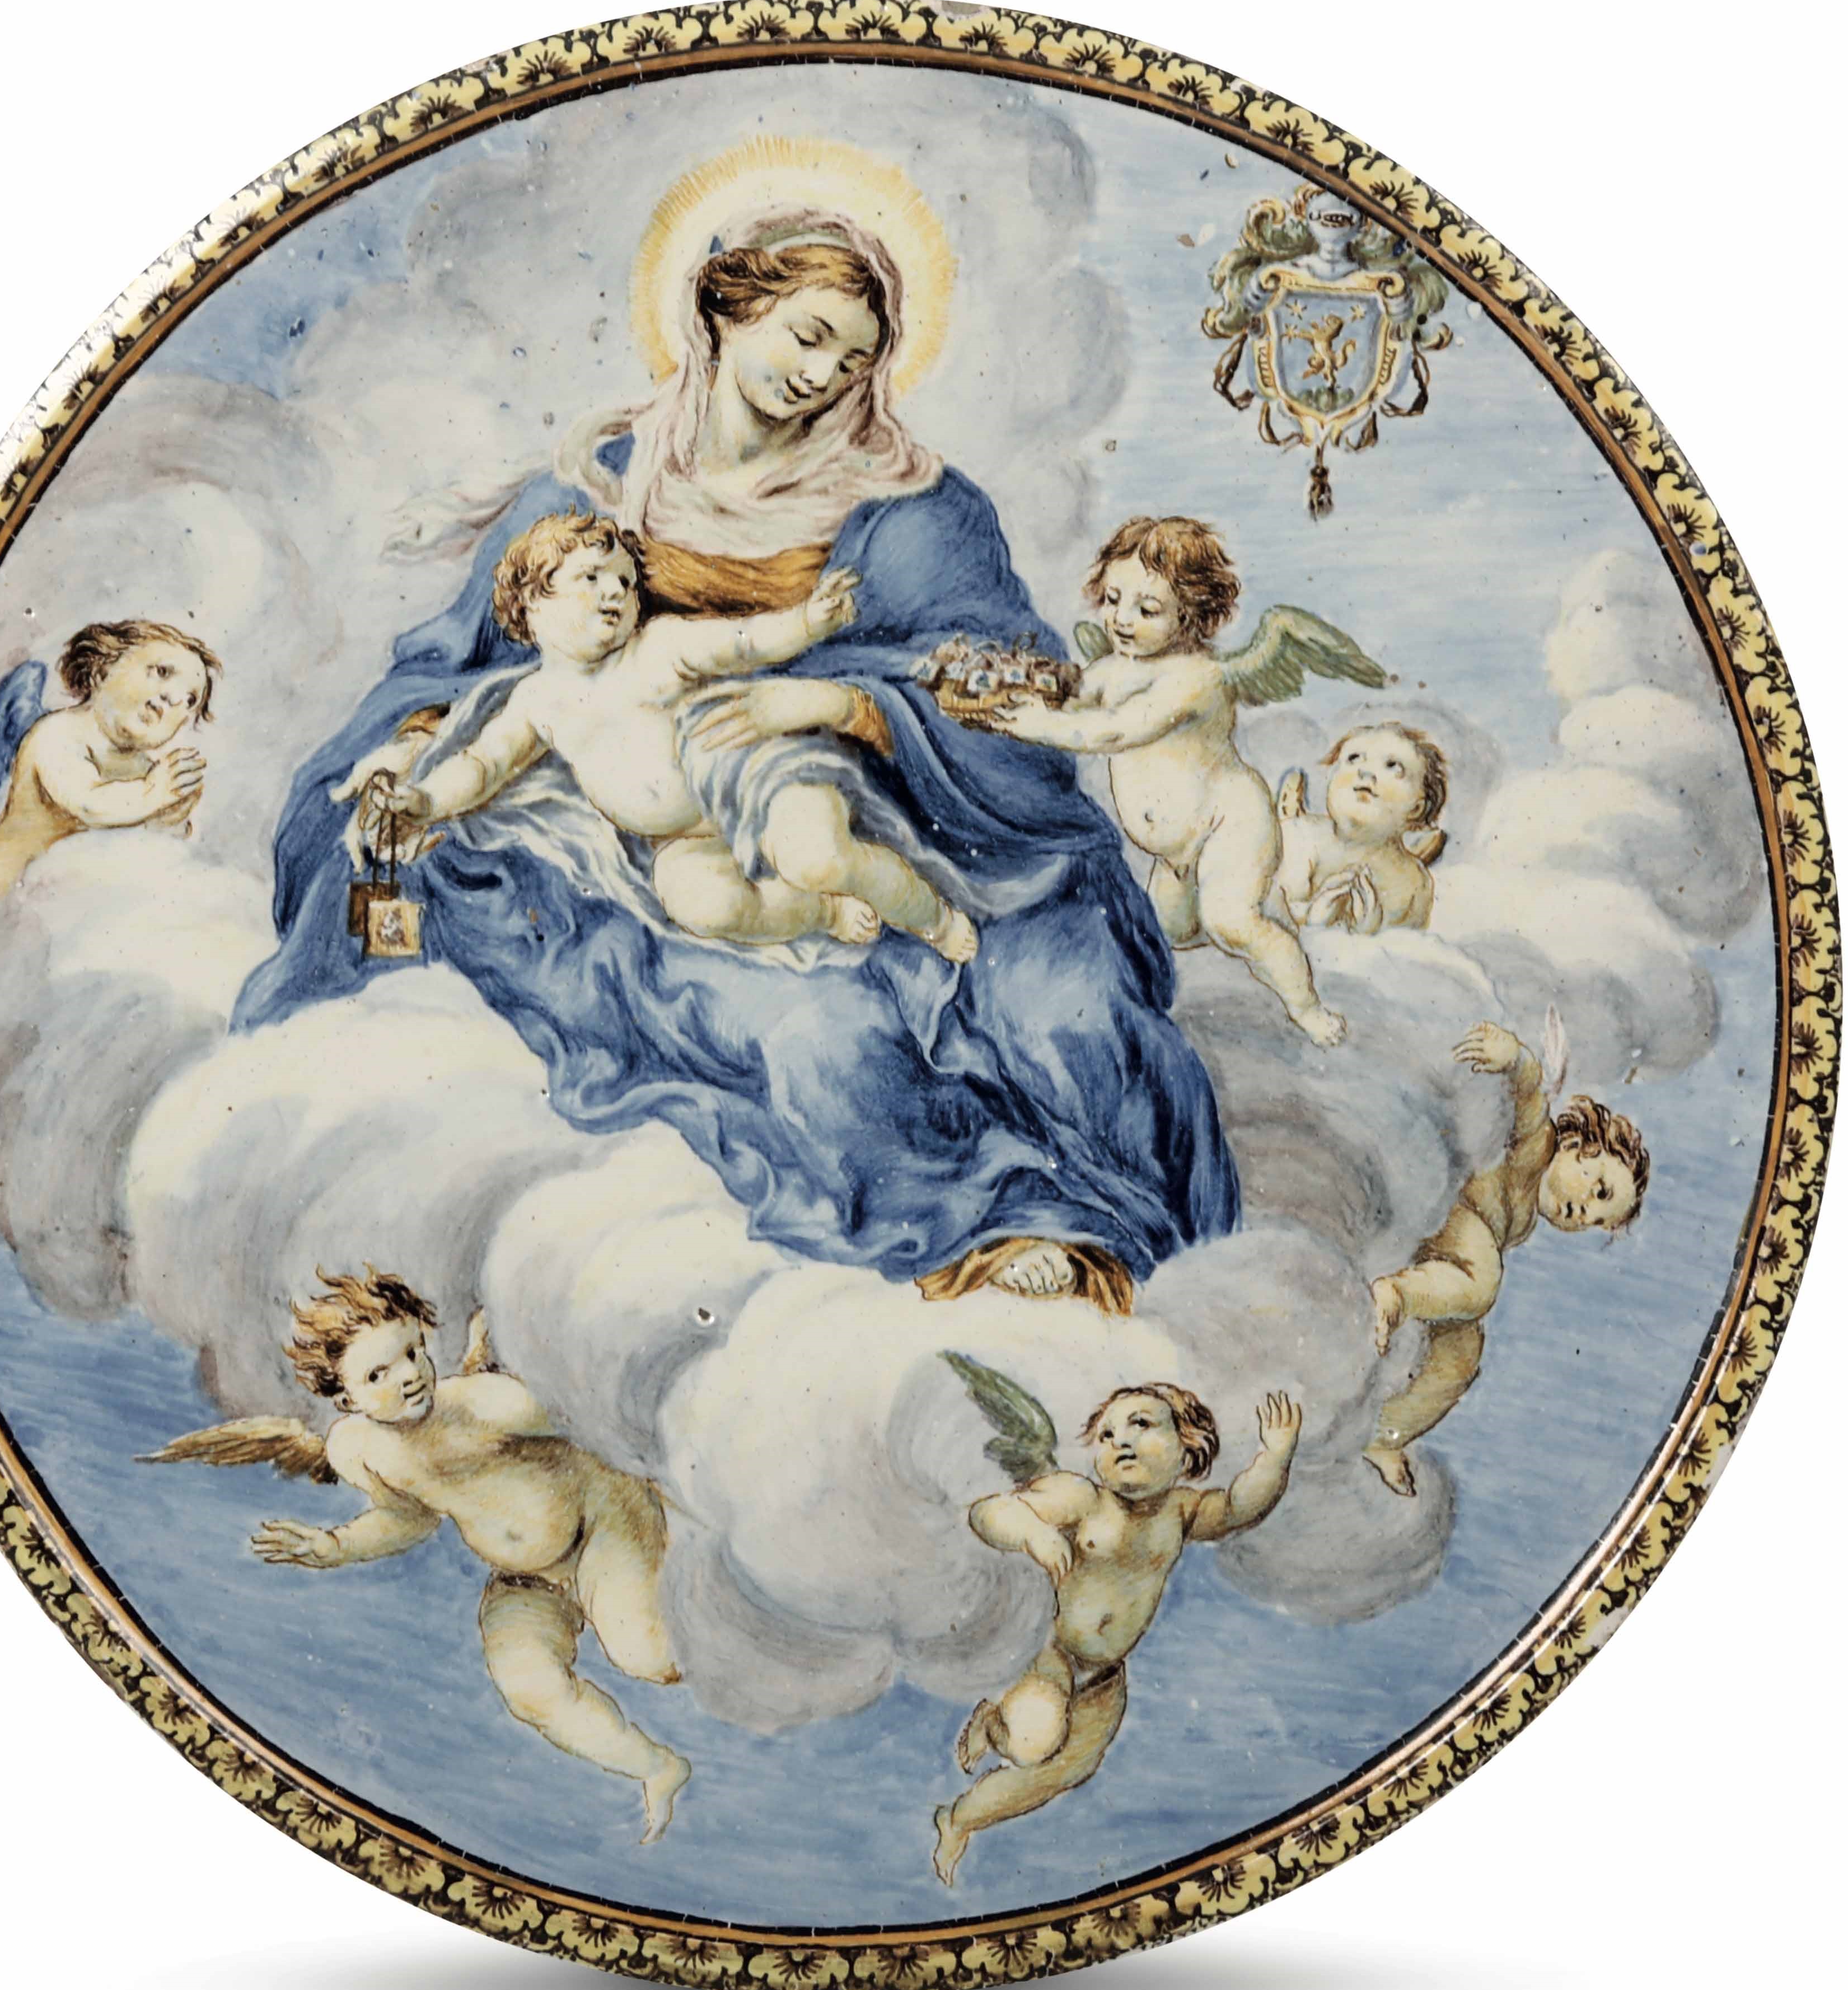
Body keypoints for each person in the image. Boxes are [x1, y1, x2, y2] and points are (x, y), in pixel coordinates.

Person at [237, 208, 1239, 1313]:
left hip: (890, 805)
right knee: (808, 1032)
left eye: (854, 359)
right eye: (806, 336)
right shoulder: (590, 490)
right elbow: (471, 667)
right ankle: (978, 1221)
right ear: (724, 306)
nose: (824, 375)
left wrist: (841, 700)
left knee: (1060, 1010)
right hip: (637, 837)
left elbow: (1012, 690)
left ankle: (1068, 1223)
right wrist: (412, 754)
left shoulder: (914, 511)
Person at [145, 1267, 691, 1842]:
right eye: (378, 1373)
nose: (408, 1376)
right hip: (526, 1575)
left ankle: (733, 1618)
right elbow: (407, 1518)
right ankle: (656, 1766)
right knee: (529, 1685)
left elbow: (603, 1428)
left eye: (412, 1352)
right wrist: (334, 1546)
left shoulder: (483, 1404)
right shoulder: (360, 1449)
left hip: (600, 1521)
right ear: (345, 1396)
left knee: (647, 1657)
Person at [345, 512, 976, 957]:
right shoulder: (534, 702)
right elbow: (484, 765)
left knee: (818, 858)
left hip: (759, 777)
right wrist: (425, 800)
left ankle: (932, 916)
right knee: (702, 906)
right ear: (530, 602)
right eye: (592, 577)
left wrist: (808, 622)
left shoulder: (659, 646)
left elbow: (746, 643)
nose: (616, 592)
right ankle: (823, 913)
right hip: (682, 836)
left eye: (625, 582)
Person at [993, 516, 1382, 1044]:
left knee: (1232, 923)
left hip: (1229, 825)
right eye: (1112, 600)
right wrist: (1022, 692)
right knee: (1167, 930)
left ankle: (1307, 1007)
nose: (1121, 619)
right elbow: (1074, 698)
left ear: (1191, 614)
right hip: (1174, 852)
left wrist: (1039, 726)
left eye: (1147, 610)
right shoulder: (1113, 668)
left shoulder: (1196, 678)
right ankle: (1254, 925)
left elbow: (1116, 730)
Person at [932, 1383, 1303, 1885]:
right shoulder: (1084, 1499)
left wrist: (1275, 1457)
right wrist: (1033, 1532)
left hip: (1106, 1675)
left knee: (1063, 1772)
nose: (1121, 1441)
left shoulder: (1181, 1512)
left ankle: (959, 1820)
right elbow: (989, 1512)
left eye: (1141, 1425)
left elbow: (1239, 1507)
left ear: (1187, 1448)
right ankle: (993, 1723)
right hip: (1052, 1654)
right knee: (1033, 1742)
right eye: (1107, 1435)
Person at [1364, 1023, 1651, 1495]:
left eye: (1598, 1219)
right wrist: (1515, 1057)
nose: (1586, 1212)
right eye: (1599, 1190)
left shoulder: (1526, 1221)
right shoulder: (1540, 1146)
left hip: (1457, 1252)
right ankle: (1396, 1295)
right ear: (1582, 1146)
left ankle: (1384, 1434)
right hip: (1452, 1209)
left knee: (1464, 1353)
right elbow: (1530, 1095)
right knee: (1485, 1279)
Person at [0, 620, 218, 910]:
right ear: (103, 670)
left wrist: (171, 816)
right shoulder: (59, 733)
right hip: (1, 891)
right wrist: (153, 794)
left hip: (67, 901)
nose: (173, 697)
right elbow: (89, 804)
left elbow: (150, 845)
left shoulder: (147, 771)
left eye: (190, 700)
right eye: (162, 672)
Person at [1276, 722, 1448, 934]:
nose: (1366, 772)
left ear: (1416, 808)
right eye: (1354, 758)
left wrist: (1371, 934)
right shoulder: (1302, 838)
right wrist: (1311, 918)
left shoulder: (1414, 883)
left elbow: (1409, 945)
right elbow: (1270, 913)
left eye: (1392, 766)